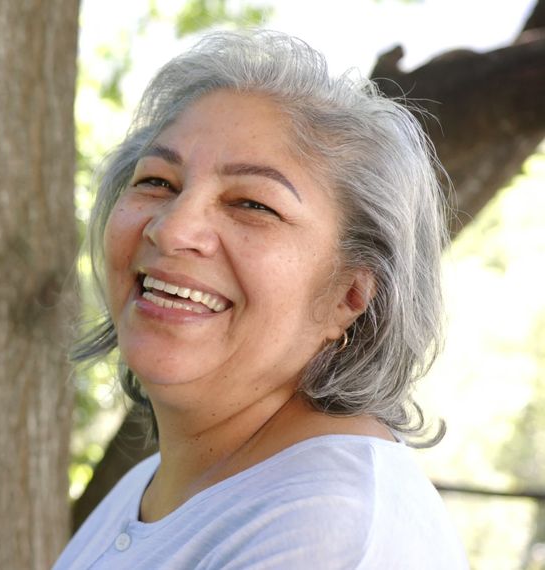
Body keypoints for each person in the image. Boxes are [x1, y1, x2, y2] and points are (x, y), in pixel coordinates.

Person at [55, 31, 469, 569]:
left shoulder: (331, 528)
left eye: (252, 203)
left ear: (349, 296)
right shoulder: (152, 486)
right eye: (157, 181)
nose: (174, 227)